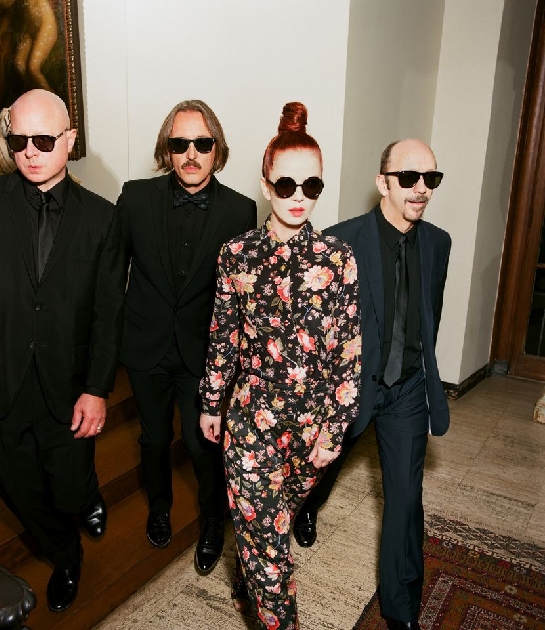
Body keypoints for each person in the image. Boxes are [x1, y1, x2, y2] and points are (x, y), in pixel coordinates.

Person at [0, 89, 122, 613]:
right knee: (17, 489)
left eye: (44, 140)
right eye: (18, 140)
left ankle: (84, 495)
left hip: (69, 383)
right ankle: (66, 555)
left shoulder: (103, 218)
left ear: (70, 140)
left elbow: (108, 312)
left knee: (68, 486)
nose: (30, 152)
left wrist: (97, 389)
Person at [199, 102, 361, 630]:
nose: (298, 197)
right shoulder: (236, 254)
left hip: (313, 429)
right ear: (267, 185)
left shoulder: (338, 259)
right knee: (268, 547)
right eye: (287, 185)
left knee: (271, 526)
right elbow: (223, 335)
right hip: (251, 421)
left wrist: (334, 432)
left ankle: (253, 571)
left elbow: (348, 353)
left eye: (311, 186)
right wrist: (212, 402)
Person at [293, 138, 451, 630]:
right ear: (383, 182)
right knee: (316, 470)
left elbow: (429, 315)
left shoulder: (438, 244)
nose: (421, 188)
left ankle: (400, 611)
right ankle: (306, 509)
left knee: (405, 500)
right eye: (409, 177)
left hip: (406, 390)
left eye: (430, 178)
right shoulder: (340, 243)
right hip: (350, 387)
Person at [116, 100, 257, 573]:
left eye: (202, 143)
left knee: (201, 445)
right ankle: (160, 507)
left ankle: (213, 521)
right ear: (167, 150)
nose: (191, 153)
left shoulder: (241, 210)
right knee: (154, 439)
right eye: (180, 144)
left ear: (217, 148)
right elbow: (112, 277)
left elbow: (241, 297)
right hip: (146, 346)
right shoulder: (134, 198)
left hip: (203, 353)